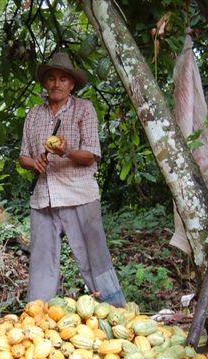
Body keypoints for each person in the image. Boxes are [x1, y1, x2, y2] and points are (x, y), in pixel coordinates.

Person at [18, 51, 127, 307]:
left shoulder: (83, 109)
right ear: (45, 83)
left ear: (72, 84)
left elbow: (91, 155)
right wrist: (34, 163)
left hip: (79, 194)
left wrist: (64, 151)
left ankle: (116, 310)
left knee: (94, 256)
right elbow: (23, 155)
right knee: (42, 261)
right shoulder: (34, 114)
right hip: (43, 197)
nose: (57, 84)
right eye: (52, 78)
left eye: (63, 79)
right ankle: (38, 315)